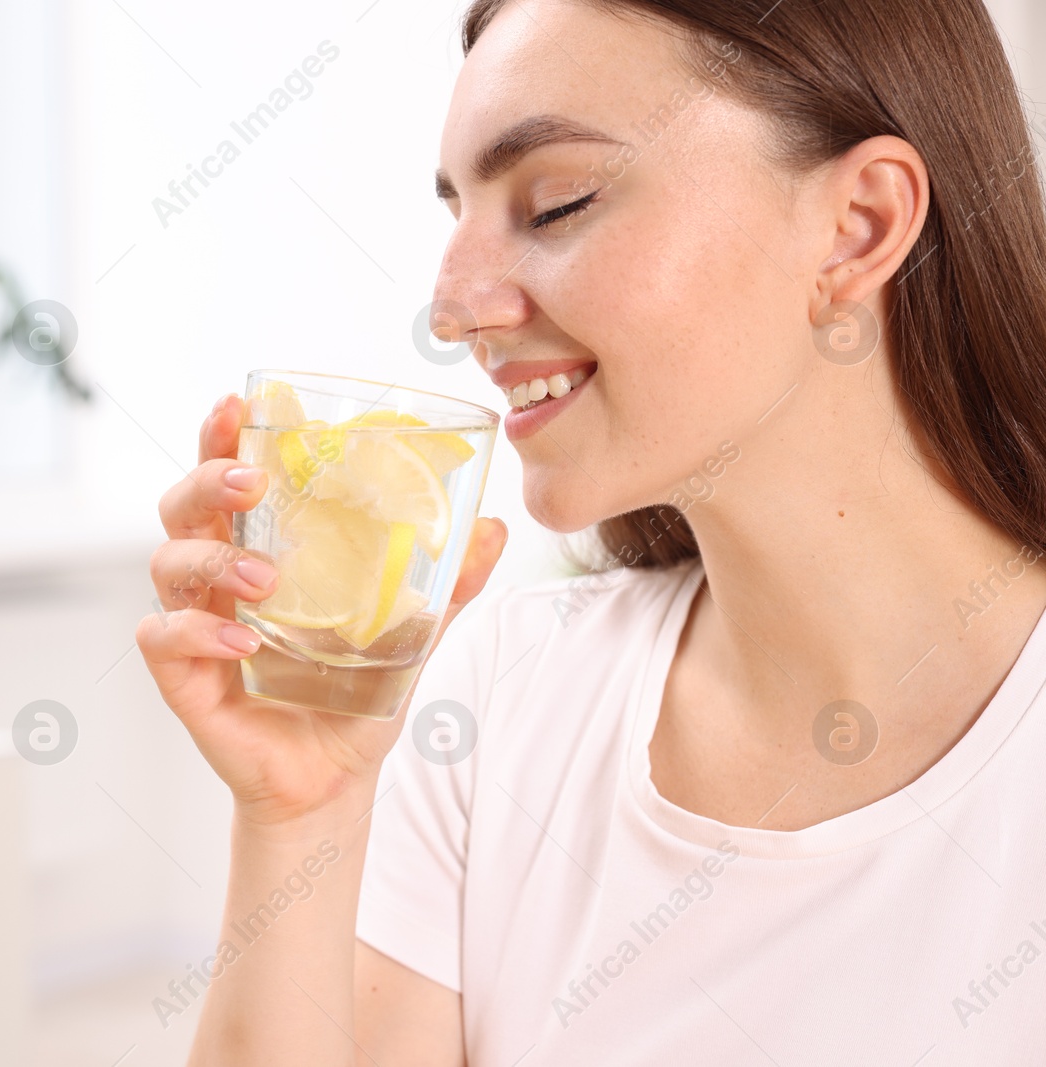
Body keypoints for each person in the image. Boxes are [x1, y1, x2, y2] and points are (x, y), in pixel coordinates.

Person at [135, 0, 1046, 1061]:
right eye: (455, 215)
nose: (451, 309)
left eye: (556, 202)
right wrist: (302, 816)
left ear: (857, 226)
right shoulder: (503, 697)